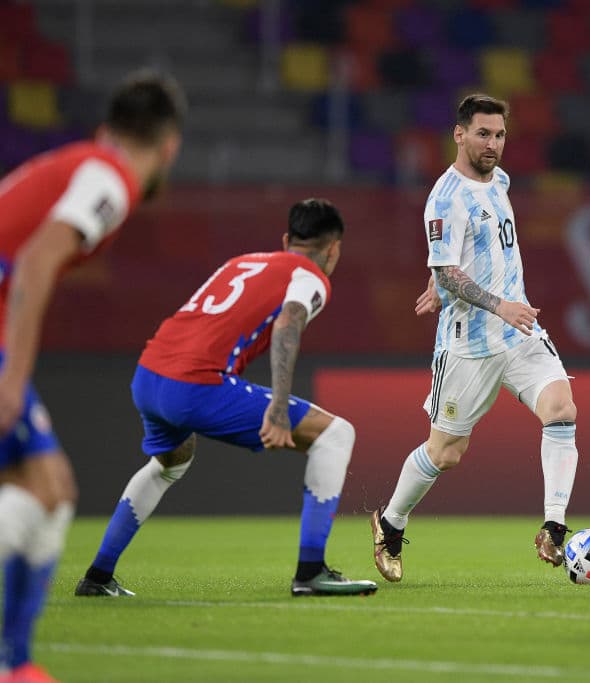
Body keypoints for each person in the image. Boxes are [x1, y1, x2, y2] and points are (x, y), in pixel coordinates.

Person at [74, 199, 377, 599]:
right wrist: (279, 407)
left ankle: (97, 577)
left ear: (287, 240)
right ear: (334, 249)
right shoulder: (311, 276)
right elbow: (289, 321)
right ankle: (311, 570)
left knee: (169, 464)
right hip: (194, 383)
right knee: (336, 434)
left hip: (149, 374)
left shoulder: (242, 262)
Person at [0, 71, 185, 683]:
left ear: (108, 129)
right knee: (47, 490)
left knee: (48, 488)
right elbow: (35, 259)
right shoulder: (111, 180)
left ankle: (13, 663)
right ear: (169, 148)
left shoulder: (81, 164)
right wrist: (12, 377)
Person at [369, 94, 579, 583]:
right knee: (446, 453)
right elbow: (446, 264)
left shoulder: (500, 181)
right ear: (459, 134)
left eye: (500, 134)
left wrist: (442, 280)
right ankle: (391, 522)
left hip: (521, 332)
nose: (493, 144)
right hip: (469, 343)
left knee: (562, 410)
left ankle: (554, 525)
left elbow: (452, 259)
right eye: (483, 133)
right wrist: (451, 284)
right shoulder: (445, 197)